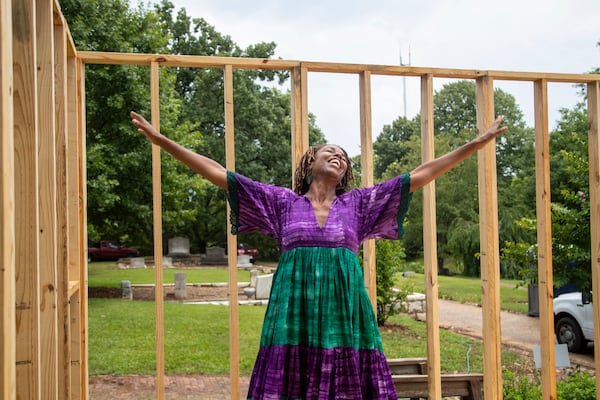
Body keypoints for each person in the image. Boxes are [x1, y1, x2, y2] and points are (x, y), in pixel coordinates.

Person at [130, 110, 507, 400]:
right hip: (293, 311)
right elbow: (220, 174)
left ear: (344, 176)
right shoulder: (282, 202)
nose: (338, 157)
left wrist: (475, 143)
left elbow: (420, 174)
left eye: (343, 157)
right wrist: (163, 141)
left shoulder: (359, 204)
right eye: (329, 152)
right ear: (310, 164)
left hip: (345, 311)